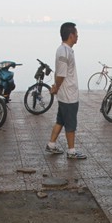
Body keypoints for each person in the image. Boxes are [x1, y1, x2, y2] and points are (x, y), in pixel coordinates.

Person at [45, 22, 86, 159]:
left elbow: (60, 73)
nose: (78, 37)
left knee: (61, 120)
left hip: (66, 94)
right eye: (76, 34)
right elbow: (61, 74)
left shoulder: (65, 50)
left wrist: (56, 87)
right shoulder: (64, 52)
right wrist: (56, 87)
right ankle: (71, 151)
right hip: (68, 95)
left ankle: (51, 144)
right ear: (71, 35)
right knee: (70, 124)